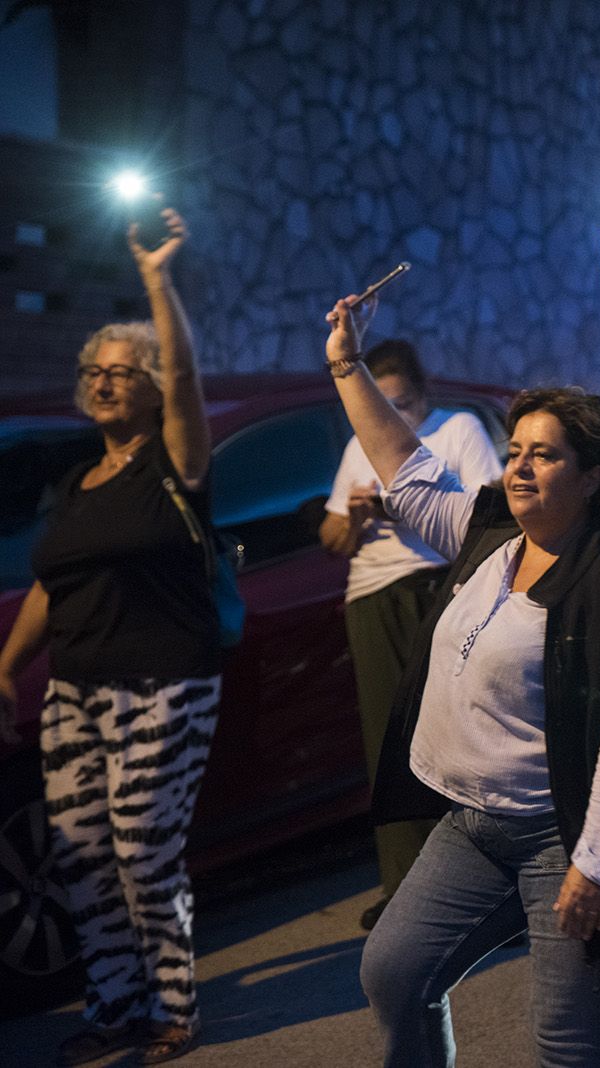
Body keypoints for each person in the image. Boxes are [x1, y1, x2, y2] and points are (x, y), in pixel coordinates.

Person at [319, 298, 600, 1067]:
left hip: (564, 839)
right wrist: (346, 365)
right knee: (394, 972)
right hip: (474, 829)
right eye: (515, 451)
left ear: (592, 478)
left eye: (543, 455)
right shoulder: (490, 537)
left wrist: (598, 866)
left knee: (566, 1041)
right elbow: (408, 471)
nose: (519, 466)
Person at [0, 210, 217, 1065]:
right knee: (82, 859)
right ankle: (116, 1003)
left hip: (164, 685)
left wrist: (157, 279)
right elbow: (54, 588)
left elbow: (192, 376)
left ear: (155, 387)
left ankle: (174, 1006)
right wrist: (8, 668)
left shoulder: (176, 468)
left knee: (141, 852)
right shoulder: (78, 482)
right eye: (94, 369)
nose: (102, 380)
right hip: (74, 694)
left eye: (122, 371)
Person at [318, 339, 501, 932]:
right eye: (381, 403)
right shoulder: (357, 443)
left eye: (399, 404)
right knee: (389, 739)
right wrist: (356, 515)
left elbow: (487, 511)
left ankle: (481, 887)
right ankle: (404, 887)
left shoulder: (458, 429)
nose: (388, 417)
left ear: (422, 396)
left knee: (455, 732)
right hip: (373, 592)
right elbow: (332, 539)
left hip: (437, 584)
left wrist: (412, 506)